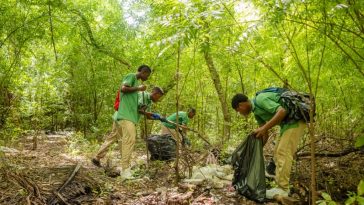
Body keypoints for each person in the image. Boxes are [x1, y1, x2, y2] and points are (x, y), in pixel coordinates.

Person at [231, 91, 306, 199]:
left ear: (241, 105)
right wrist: (255, 150)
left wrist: (264, 128)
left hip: (296, 120)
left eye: (238, 110)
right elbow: (264, 134)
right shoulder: (256, 114)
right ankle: (276, 180)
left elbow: (282, 111)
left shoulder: (260, 99)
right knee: (276, 153)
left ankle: (283, 189)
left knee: (283, 152)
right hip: (287, 124)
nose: (240, 113)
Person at [91, 65, 163, 178]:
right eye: (147, 75)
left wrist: (156, 117)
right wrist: (139, 89)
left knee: (114, 138)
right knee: (129, 140)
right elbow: (124, 89)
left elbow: (140, 110)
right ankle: (125, 170)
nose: (147, 77)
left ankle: (97, 157)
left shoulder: (145, 98)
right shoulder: (134, 80)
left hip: (124, 116)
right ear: (143, 72)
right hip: (125, 116)